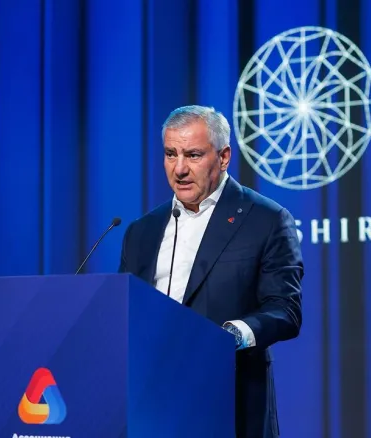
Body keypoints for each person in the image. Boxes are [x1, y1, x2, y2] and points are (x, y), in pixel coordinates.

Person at [117, 105, 303, 438]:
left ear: (224, 156)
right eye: (170, 154)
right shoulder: (141, 231)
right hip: (152, 405)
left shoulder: (266, 220)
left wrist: (229, 336)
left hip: (228, 401)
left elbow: (285, 309)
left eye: (193, 155)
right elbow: (123, 312)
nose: (179, 169)